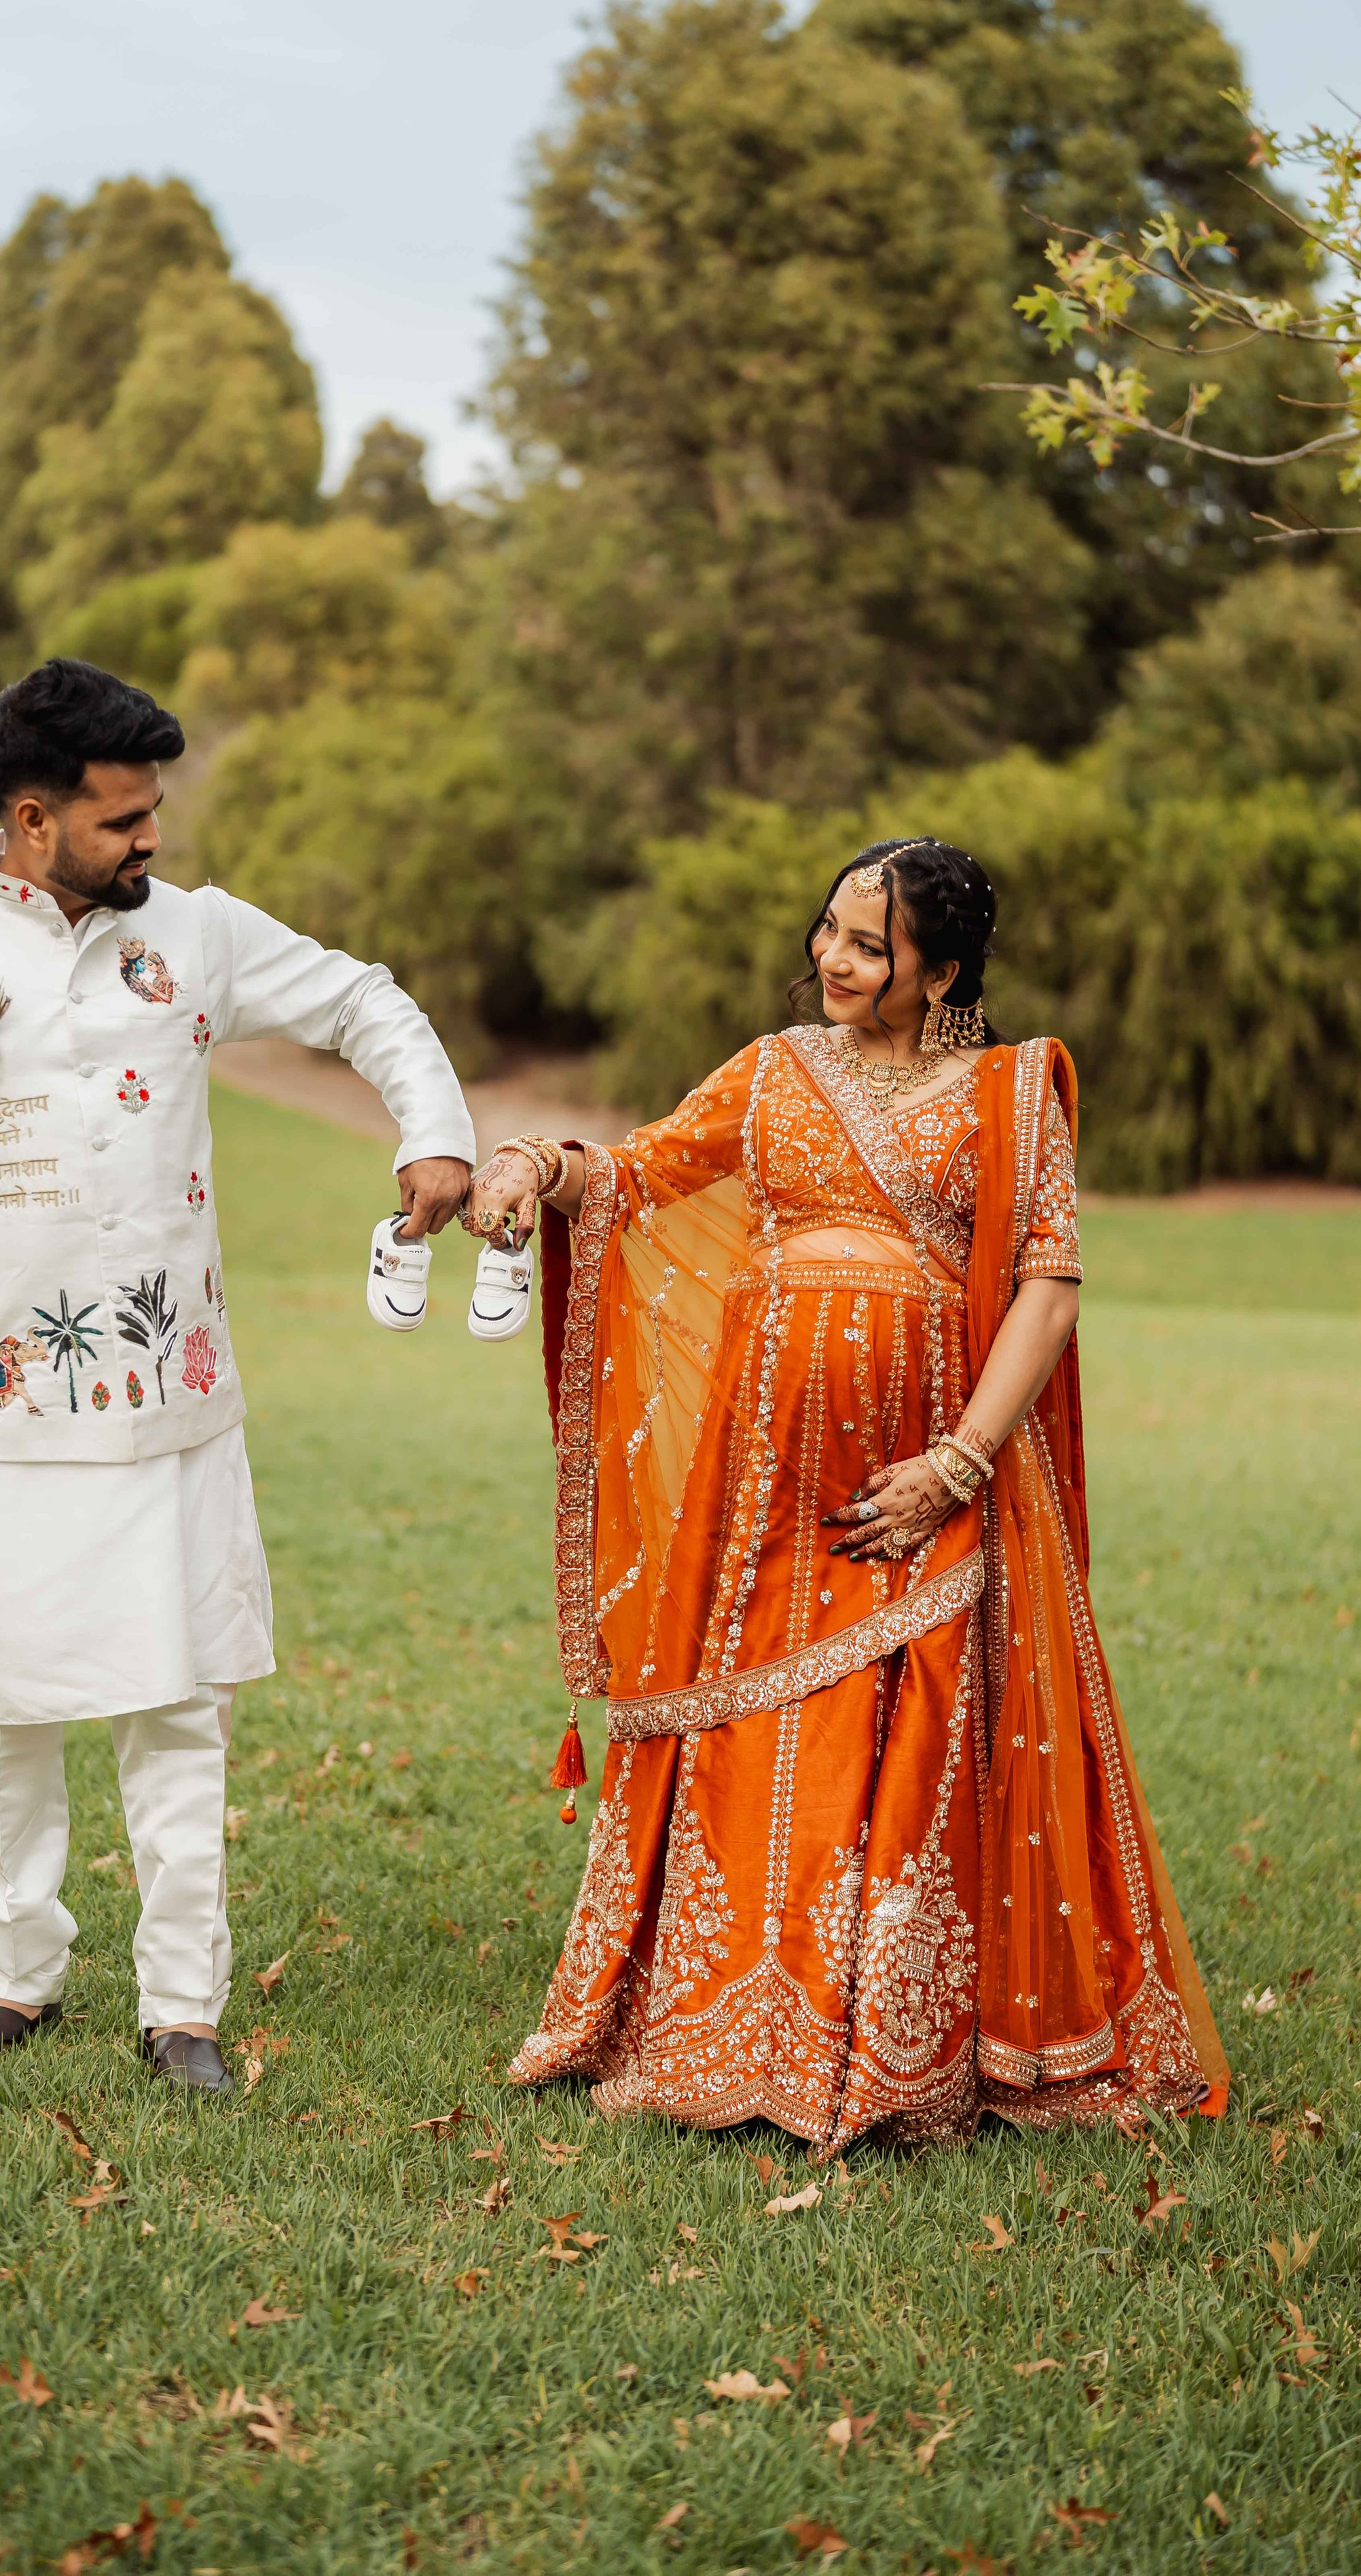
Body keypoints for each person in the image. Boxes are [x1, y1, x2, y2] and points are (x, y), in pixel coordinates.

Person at [462, 838, 1227, 2152]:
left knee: (913, 1728)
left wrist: (958, 1463)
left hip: (924, 1478)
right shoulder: (772, 1070)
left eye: (869, 946)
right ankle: (722, 2023)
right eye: (828, 930)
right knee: (752, 1734)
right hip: (760, 1486)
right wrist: (537, 1167)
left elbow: (1048, 1283)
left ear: (941, 971)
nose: (831, 957)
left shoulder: (1007, 1091)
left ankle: (889, 2046)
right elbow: (639, 1172)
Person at [0, 657, 474, 2095]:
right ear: (34, 818)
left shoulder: (195, 937)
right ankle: (15, 1980)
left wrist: (435, 1135)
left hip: (170, 1403)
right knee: (8, 1712)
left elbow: (364, 1002)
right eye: (122, 820)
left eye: (154, 812)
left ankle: (184, 2011)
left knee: (181, 1711)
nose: (150, 842)